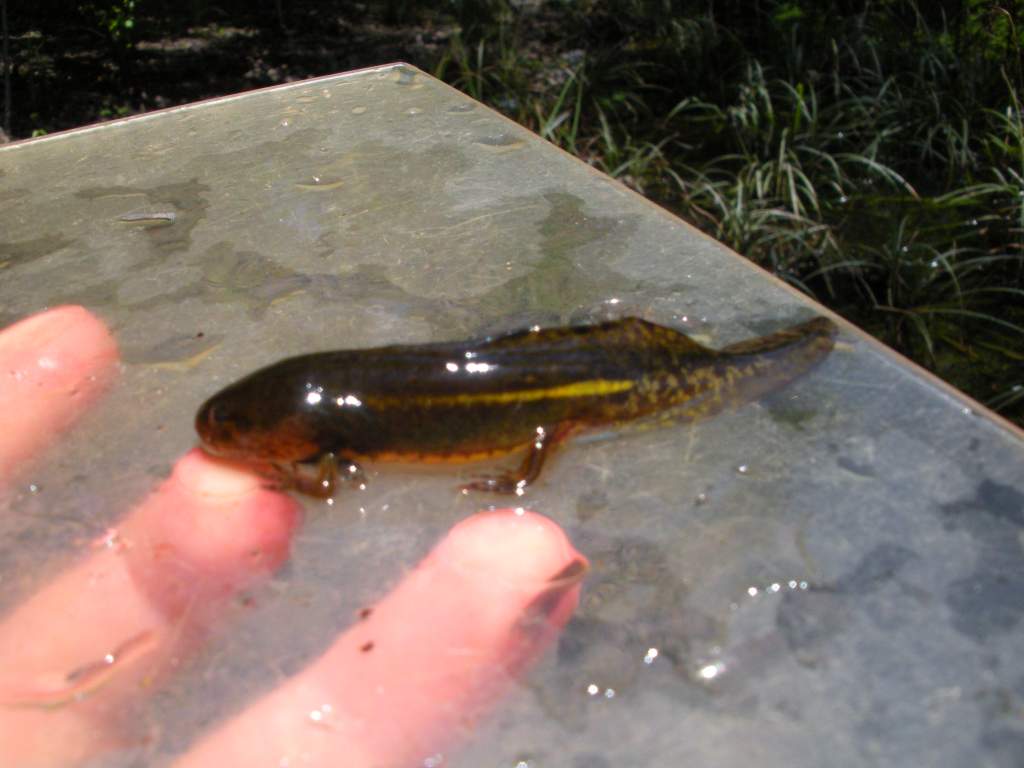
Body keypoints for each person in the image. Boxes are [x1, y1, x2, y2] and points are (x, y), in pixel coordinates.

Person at [0, 306, 585, 767]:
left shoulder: (326, 435)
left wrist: (296, 481)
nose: (219, 440)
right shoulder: (320, 419)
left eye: (240, 431)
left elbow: (326, 490)